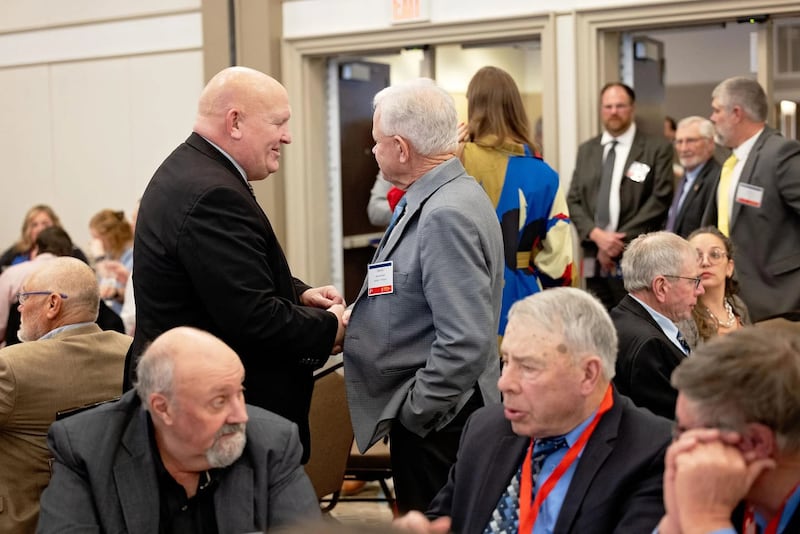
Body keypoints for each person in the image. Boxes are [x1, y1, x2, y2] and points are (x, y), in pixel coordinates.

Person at [128, 66, 345, 463]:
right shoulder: (212, 193)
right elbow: (252, 317)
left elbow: (228, 278)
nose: (287, 136)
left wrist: (299, 294)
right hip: (216, 422)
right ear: (235, 122)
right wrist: (331, 327)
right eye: (279, 122)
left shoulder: (195, 170)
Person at [343, 78, 504, 513]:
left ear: (400, 147)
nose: (373, 152)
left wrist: (415, 411)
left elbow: (464, 340)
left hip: (442, 424)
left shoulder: (445, 211)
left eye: (376, 143)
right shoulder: (435, 196)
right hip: (443, 416)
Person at [393, 287, 672, 534]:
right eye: (506, 362)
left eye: (528, 368)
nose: (504, 383)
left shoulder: (652, 452)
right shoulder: (486, 429)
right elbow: (445, 519)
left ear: (588, 374)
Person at [38, 326, 319, 532]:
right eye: (219, 401)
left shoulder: (272, 443)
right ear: (162, 408)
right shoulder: (85, 447)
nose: (240, 415)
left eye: (240, 393)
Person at [0, 257, 129, 534]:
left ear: (53, 303)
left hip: (29, 522)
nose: (19, 307)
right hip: (114, 517)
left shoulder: (10, 367)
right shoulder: (130, 352)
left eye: (24, 296)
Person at [459, 65, 574, 336]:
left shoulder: (457, 162)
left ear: (473, 106)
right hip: (526, 307)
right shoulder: (544, 173)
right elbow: (559, 259)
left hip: (463, 300)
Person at [658, 327, 800, 534]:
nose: (676, 448)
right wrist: (675, 521)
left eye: (684, 431)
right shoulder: (730, 495)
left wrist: (706, 522)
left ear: (755, 442)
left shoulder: (712, 506)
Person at [567, 82, 674, 310]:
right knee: (600, 322)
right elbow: (574, 199)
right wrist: (597, 236)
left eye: (620, 106)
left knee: (637, 321)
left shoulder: (656, 149)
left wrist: (616, 242)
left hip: (637, 255)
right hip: (593, 255)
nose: (613, 112)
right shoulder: (587, 150)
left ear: (632, 108)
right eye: (608, 106)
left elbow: (660, 199)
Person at [703, 76, 800, 322]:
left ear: (736, 113)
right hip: (736, 301)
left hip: (780, 303)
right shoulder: (732, 162)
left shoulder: (780, 153)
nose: (712, 118)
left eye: (716, 110)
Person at [611, 231, 704, 419]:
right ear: (661, 287)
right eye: (694, 281)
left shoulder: (622, 318)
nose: (700, 290)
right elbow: (671, 423)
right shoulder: (648, 345)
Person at [677, 226, 749, 349]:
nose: (705, 262)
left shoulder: (738, 306)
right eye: (696, 255)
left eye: (715, 254)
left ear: (729, 267)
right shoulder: (682, 314)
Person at [0, 226, 74, 346]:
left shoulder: (12, 274)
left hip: (17, 350)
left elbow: (0, 325)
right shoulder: (76, 276)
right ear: (68, 251)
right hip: (63, 349)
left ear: (37, 247)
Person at [665, 116, 721, 237]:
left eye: (690, 141)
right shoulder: (684, 178)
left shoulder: (717, 179)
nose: (684, 148)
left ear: (710, 143)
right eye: (679, 142)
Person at [0, 204, 87, 271]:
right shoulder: (15, 252)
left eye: (45, 224)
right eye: (34, 225)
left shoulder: (72, 251)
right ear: (28, 229)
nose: (40, 229)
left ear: (55, 225)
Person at [89, 209, 134, 316]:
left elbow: (108, 289)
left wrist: (100, 257)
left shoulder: (131, 256)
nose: (94, 242)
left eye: (96, 238)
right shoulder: (111, 256)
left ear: (109, 236)